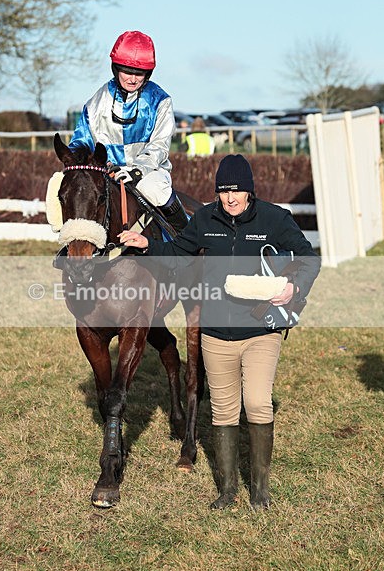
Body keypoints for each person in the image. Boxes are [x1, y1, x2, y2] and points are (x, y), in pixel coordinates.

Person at [119, 153, 320, 511]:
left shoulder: (274, 219)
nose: (230, 198)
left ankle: (259, 490)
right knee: (224, 412)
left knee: (257, 401)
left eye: (237, 191)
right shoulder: (204, 219)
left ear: (249, 191)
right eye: (223, 191)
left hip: (261, 329)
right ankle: (227, 490)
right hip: (214, 333)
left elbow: (308, 256)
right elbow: (178, 253)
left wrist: (294, 287)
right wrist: (148, 246)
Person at [68, 30, 188, 231]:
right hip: (106, 173)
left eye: (139, 74)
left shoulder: (161, 100)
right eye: (127, 71)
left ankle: (188, 241)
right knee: (59, 185)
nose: (132, 79)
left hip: (149, 171)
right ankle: (68, 243)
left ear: (147, 74)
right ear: (116, 68)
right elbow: (81, 141)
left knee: (155, 189)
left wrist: (137, 169)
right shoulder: (96, 103)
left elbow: (160, 145)